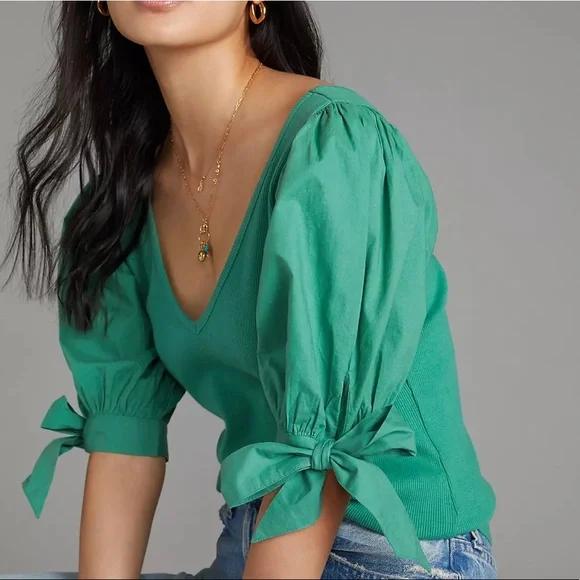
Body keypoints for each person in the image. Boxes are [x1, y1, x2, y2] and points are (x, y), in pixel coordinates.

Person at [0, 1, 497, 578]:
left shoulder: (332, 145)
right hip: (257, 533)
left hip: (391, 549)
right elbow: (123, 437)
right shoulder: (124, 204)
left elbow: (322, 455)